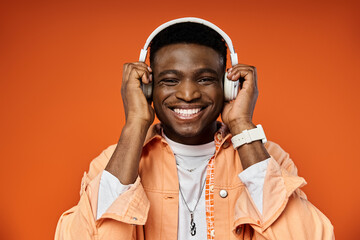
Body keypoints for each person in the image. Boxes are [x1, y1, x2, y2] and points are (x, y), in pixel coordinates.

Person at [55, 18, 334, 240]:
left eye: (204, 79)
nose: (188, 94)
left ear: (228, 87)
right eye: (170, 80)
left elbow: (307, 236)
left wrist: (241, 125)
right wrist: (133, 126)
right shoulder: (114, 162)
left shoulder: (266, 157)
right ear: (148, 88)